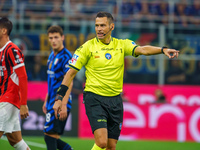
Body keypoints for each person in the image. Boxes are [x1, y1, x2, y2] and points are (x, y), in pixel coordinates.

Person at [53, 12, 179, 150]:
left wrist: (163, 50)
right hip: (94, 98)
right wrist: (59, 98)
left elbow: (143, 50)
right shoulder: (86, 48)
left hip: (115, 100)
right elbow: (70, 74)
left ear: (111, 26)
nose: (99, 29)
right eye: (96, 26)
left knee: (111, 146)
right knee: (101, 142)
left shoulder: (121, 45)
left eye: (102, 25)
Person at [0, 17, 30, 150]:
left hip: (9, 99)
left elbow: (22, 77)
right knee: (15, 141)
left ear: (3, 30)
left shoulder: (12, 49)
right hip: (3, 98)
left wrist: (23, 104)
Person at [42, 25, 73, 150]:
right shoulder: (51, 56)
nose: (53, 40)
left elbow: (69, 81)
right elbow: (51, 81)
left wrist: (63, 104)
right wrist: (46, 100)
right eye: (51, 38)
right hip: (51, 101)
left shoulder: (66, 56)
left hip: (60, 102)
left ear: (62, 38)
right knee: (51, 136)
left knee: (49, 136)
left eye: (56, 37)